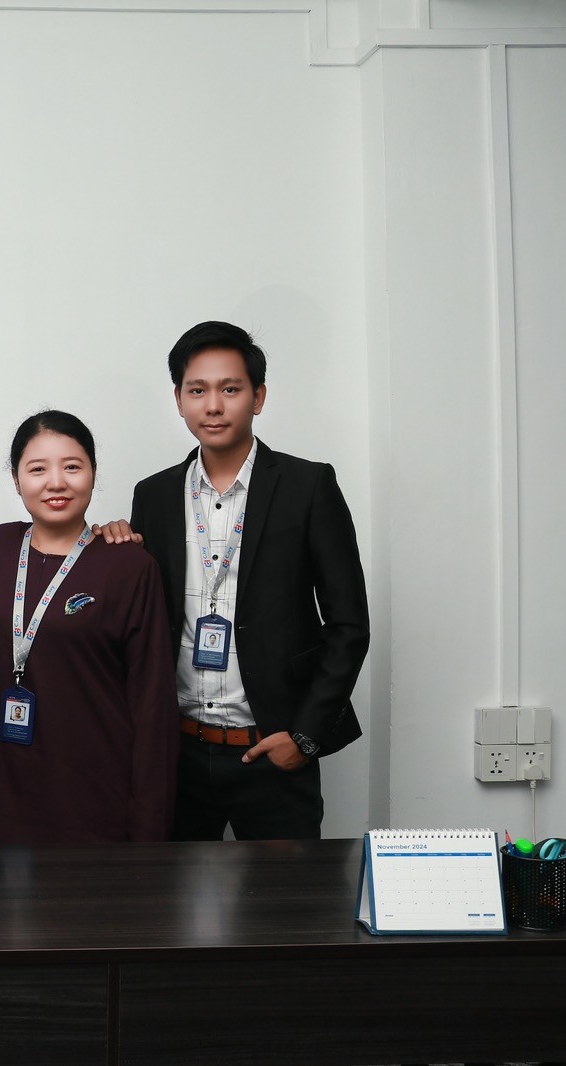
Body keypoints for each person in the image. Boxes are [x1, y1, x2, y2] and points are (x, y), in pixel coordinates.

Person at [124, 321, 369, 840]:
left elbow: (349, 625)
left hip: (272, 751)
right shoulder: (154, 495)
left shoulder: (308, 486)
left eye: (230, 389)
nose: (213, 406)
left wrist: (304, 738)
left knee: (288, 893)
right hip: (177, 755)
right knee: (170, 893)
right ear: (178, 399)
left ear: (258, 397)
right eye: (197, 390)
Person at [0, 411, 179, 844]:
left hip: (95, 793)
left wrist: (149, 829)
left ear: (93, 474)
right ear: (16, 480)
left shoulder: (129, 565)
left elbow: (153, 704)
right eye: (37, 469)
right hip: (2, 786)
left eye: (72, 466)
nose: (56, 482)